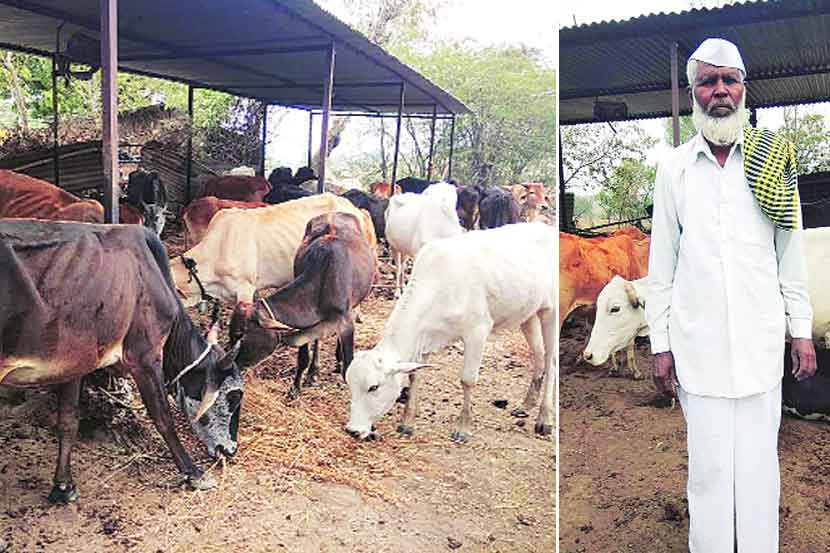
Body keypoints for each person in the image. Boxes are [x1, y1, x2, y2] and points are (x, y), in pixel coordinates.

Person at [646, 38, 817, 553]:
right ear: (693, 91)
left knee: (760, 469)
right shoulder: (673, 168)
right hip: (698, 349)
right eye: (708, 81)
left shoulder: (772, 159)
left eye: (729, 80)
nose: (719, 90)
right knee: (709, 471)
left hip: (761, 345)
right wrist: (660, 343)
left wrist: (801, 331)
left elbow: (790, 250)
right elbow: (663, 264)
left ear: (744, 87)